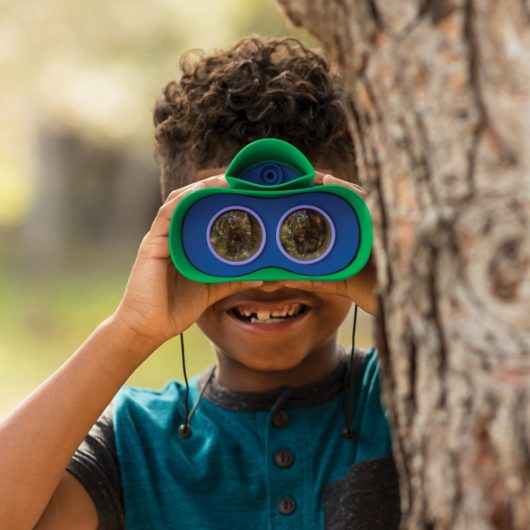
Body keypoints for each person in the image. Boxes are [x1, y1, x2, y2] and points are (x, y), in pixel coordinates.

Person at [0, 36, 400, 529]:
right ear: (177, 238)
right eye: (229, 236)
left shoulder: (420, 395)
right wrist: (128, 332)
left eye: (307, 233)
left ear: (356, 228)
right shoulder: (137, 441)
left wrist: (403, 299)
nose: (269, 279)